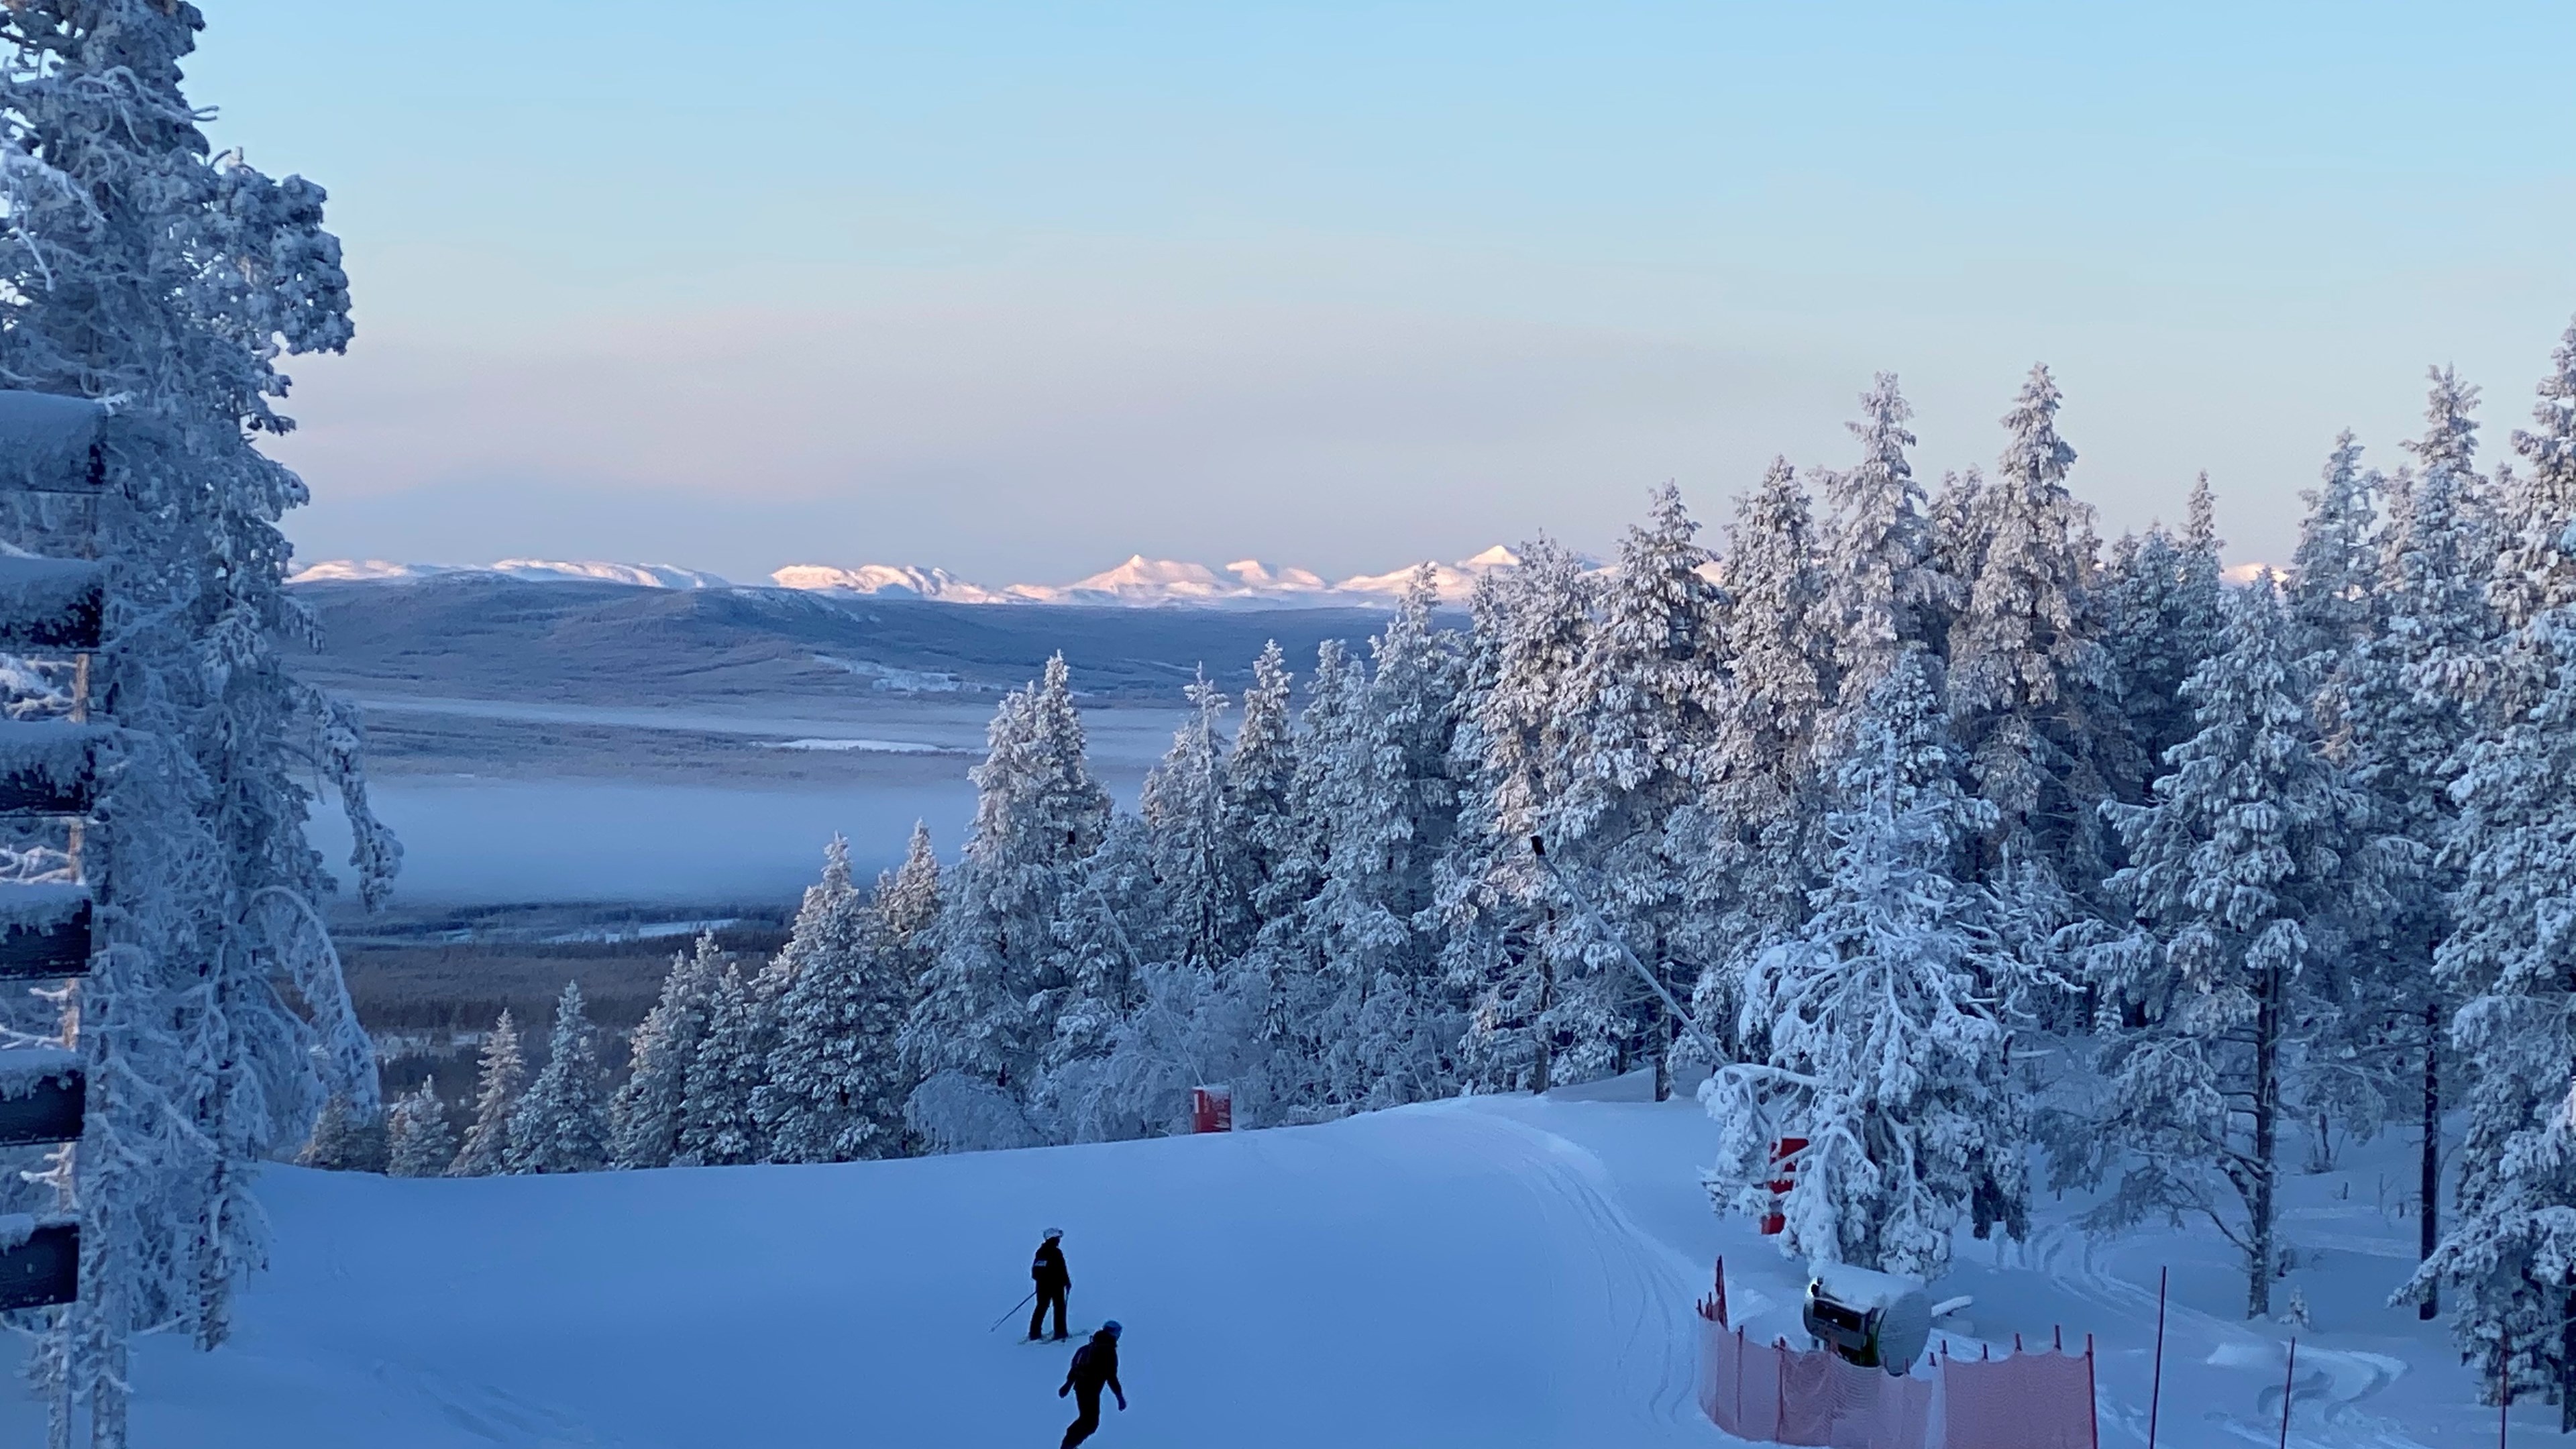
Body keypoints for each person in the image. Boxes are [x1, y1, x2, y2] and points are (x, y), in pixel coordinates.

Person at [1057, 1321, 1124, 1448]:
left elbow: (1075, 1367)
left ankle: (1069, 1443)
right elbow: (1111, 1376)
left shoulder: (1088, 1347)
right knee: (1090, 1423)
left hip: (1080, 1388)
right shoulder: (1108, 1351)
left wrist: (1068, 1385)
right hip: (1091, 1390)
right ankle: (1068, 1445)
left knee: (1086, 1419)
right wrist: (1119, 1397)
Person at [1028, 1228, 1071, 1342]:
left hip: (1054, 1285)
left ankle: (1058, 1332)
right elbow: (1037, 1271)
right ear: (1052, 1239)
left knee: (1054, 1307)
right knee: (1047, 1307)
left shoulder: (1054, 1252)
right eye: (1058, 1238)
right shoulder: (1045, 1252)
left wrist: (1067, 1282)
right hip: (1049, 1286)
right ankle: (1037, 1334)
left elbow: (1062, 1270)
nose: (1059, 1240)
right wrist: (1048, 1281)